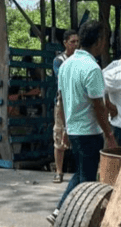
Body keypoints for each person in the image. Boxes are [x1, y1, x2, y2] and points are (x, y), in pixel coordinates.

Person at [49, 21, 118, 225]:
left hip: (74, 129)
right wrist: (110, 134)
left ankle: (59, 211)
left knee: (81, 173)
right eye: (104, 39)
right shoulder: (92, 68)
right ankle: (78, 221)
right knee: (87, 180)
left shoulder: (66, 65)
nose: (105, 43)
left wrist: (65, 129)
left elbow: (62, 101)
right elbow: (98, 106)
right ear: (98, 41)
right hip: (89, 132)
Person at [52, 30, 79, 184]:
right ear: (65, 43)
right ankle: (59, 171)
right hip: (62, 101)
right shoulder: (59, 60)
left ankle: (79, 171)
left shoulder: (80, 59)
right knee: (59, 134)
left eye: (77, 42)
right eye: (72, 42)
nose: (75, 44)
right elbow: (61, 79)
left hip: (78, 102)